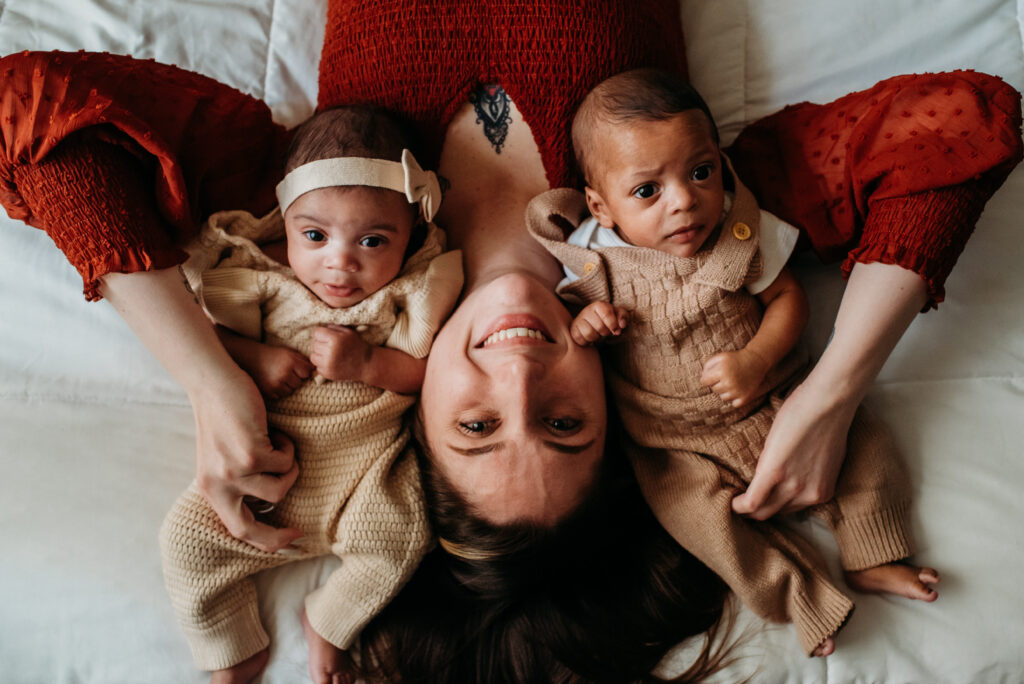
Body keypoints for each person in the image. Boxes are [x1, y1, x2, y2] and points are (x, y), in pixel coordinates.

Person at [0, 0, 1020, 676]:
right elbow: (966, 124)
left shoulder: (318, 215)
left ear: (418, 425)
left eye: (481, 425)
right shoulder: (687, 204)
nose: (524, 367)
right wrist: (829, 395)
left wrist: (208, 381)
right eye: (567, 423)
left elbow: (31, 112)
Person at [527, 68, 941, 657]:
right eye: (648, 191)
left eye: (701, 171)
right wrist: (589, 323)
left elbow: (787, 298)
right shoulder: (593, 255)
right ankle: (798, 595)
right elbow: (574, 315)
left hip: (774, 394)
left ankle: (875, 552)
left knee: (866, 447)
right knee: (697, 522)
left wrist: (756, 358)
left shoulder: (742, 230)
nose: (685, 201)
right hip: (672, 440)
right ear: (602, 205)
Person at [159, 106, 463, 683]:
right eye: (315, 235)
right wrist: (258, 357)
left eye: (373, 240)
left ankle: (329, 621)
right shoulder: (263, 281)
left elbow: (430, 372)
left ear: (411, 234)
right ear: (286, 222)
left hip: (367, 476)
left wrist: (371, 362)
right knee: (185, 543)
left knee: (407, 538)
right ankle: (230, 646)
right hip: (264, 477)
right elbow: (208, 338)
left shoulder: (409, 291)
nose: (340, 262)